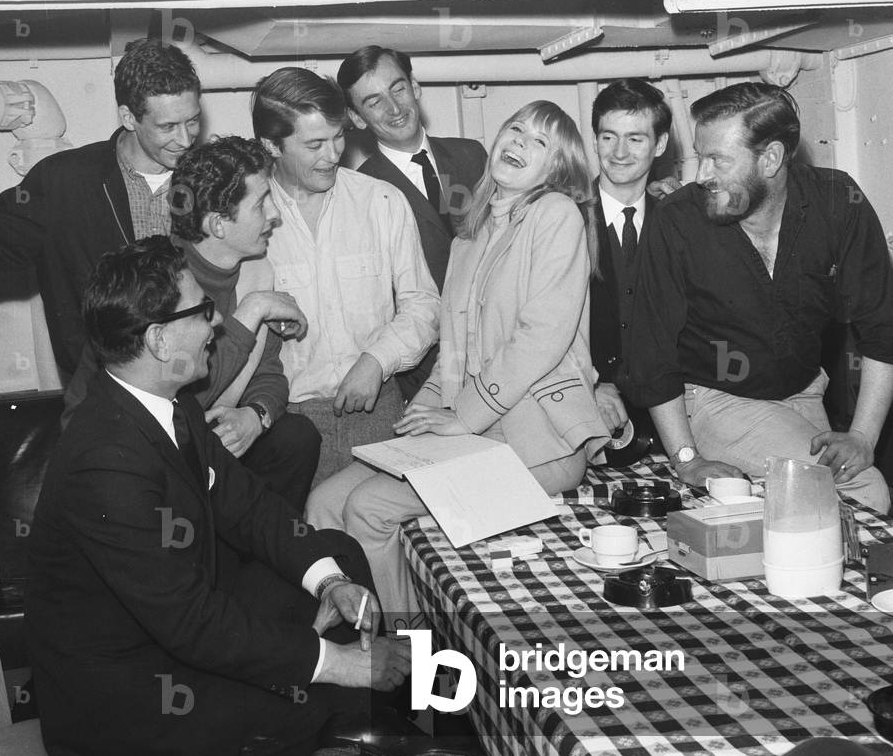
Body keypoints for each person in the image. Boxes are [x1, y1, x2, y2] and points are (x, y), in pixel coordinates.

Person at [26, 236, 411, 756]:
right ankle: (351, 754)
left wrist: (327, 583)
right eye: (203, 310)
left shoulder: (172, 403)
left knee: (339, 555)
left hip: (173, 631)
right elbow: (189, 622)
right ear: (159, 340)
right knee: (308, 703)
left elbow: (249, 507)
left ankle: (362, 751)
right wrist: (336, 663)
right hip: (122, 693)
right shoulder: (103, 461)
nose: (216, 324)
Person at [307, 101, 610, 617]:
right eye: (515, 128)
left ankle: (412, 656)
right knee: (324, 503)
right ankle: (362, 625)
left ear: (557, 169)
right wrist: (420, 418)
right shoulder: (472, 234)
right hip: (478, 435)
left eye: (540, 142)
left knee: (369, 508)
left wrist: (460, 417)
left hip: (541, 442)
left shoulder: (555, 214)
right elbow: (454, 350)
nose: (518, 142)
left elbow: (540, 337)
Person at [625, 82, 893, 512]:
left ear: (770, 159)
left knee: (799, 508)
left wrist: (863, 436)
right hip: (714, 397)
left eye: (718, 160)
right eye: (700, 156)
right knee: (865, 491)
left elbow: (883, 329)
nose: (701, 175)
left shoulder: (839, 202)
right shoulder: (678, 220)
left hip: (803, 393)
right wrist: (687, 460)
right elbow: (649, 355)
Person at [0, 38, 202, 379]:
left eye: (193, 121)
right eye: (168, 127)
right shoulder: (64, 182)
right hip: (102, 402)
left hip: (199, 391)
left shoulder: (212, 177)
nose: (185, 140)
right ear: (128, 117)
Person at [252, 68, 440, 484]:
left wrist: (376, 361)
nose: (333, 154)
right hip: (289, 424)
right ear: (271, 145)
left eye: (338, 136)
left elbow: (424, 304)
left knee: (381, 539)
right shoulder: (249, 218)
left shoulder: (381, 201)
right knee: (306, 541)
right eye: (314, 144)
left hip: (380, 411)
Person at [170, 136, 321, 511]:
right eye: (260, 205)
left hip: (215, 442)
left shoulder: (256, 271)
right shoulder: (162, 282)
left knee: (296, 436)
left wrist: (256, 416)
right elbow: (177, 403)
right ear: (219, 224)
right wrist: (251, 311)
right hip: (157, 455)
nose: (275, 215)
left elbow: (269, 375)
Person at [338, 46, 487, 400]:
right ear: (357, 119)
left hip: (499, 350)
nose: (394, 108)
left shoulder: (472, 155)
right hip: (427, 372)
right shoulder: (362, 192)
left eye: (398, 89)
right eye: (374, 101)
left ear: (415, 87)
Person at [589, 79, 672, 466]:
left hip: (670, 416)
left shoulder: (679, 222)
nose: (619, 153)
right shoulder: (562, 217)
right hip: (584, 412)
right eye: (609, 137)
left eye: (635, 139)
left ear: (660, 145)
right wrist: (590, 382)